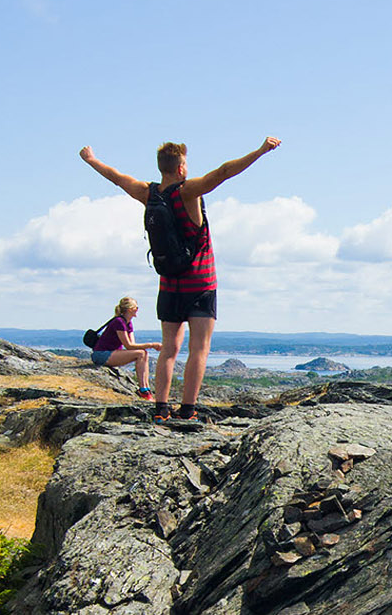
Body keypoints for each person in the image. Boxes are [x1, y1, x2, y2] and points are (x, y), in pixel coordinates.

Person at [78, 136, 281, 421]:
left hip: (169, 286)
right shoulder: (189, 192)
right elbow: (224, 172)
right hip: (201, 284)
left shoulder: (148, 194)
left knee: (169, 350)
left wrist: (91, 160)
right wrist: (260, 151)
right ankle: (187, 410)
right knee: (199, 348)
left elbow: (117, 178)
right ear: (181, 167)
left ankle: (161, 408)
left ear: (162, 168)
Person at [91, 296, 159, 398]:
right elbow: (129, 346)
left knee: (143, 353)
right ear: (130, 309)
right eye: (136, 307)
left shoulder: (128, 323)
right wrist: (152, 345)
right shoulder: (119, 322)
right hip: (101, 354)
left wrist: (150, 346)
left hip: (110, 353)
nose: (137, 310)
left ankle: (146, 388)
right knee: (141, 353)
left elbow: (132, 345)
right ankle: (143, 389)